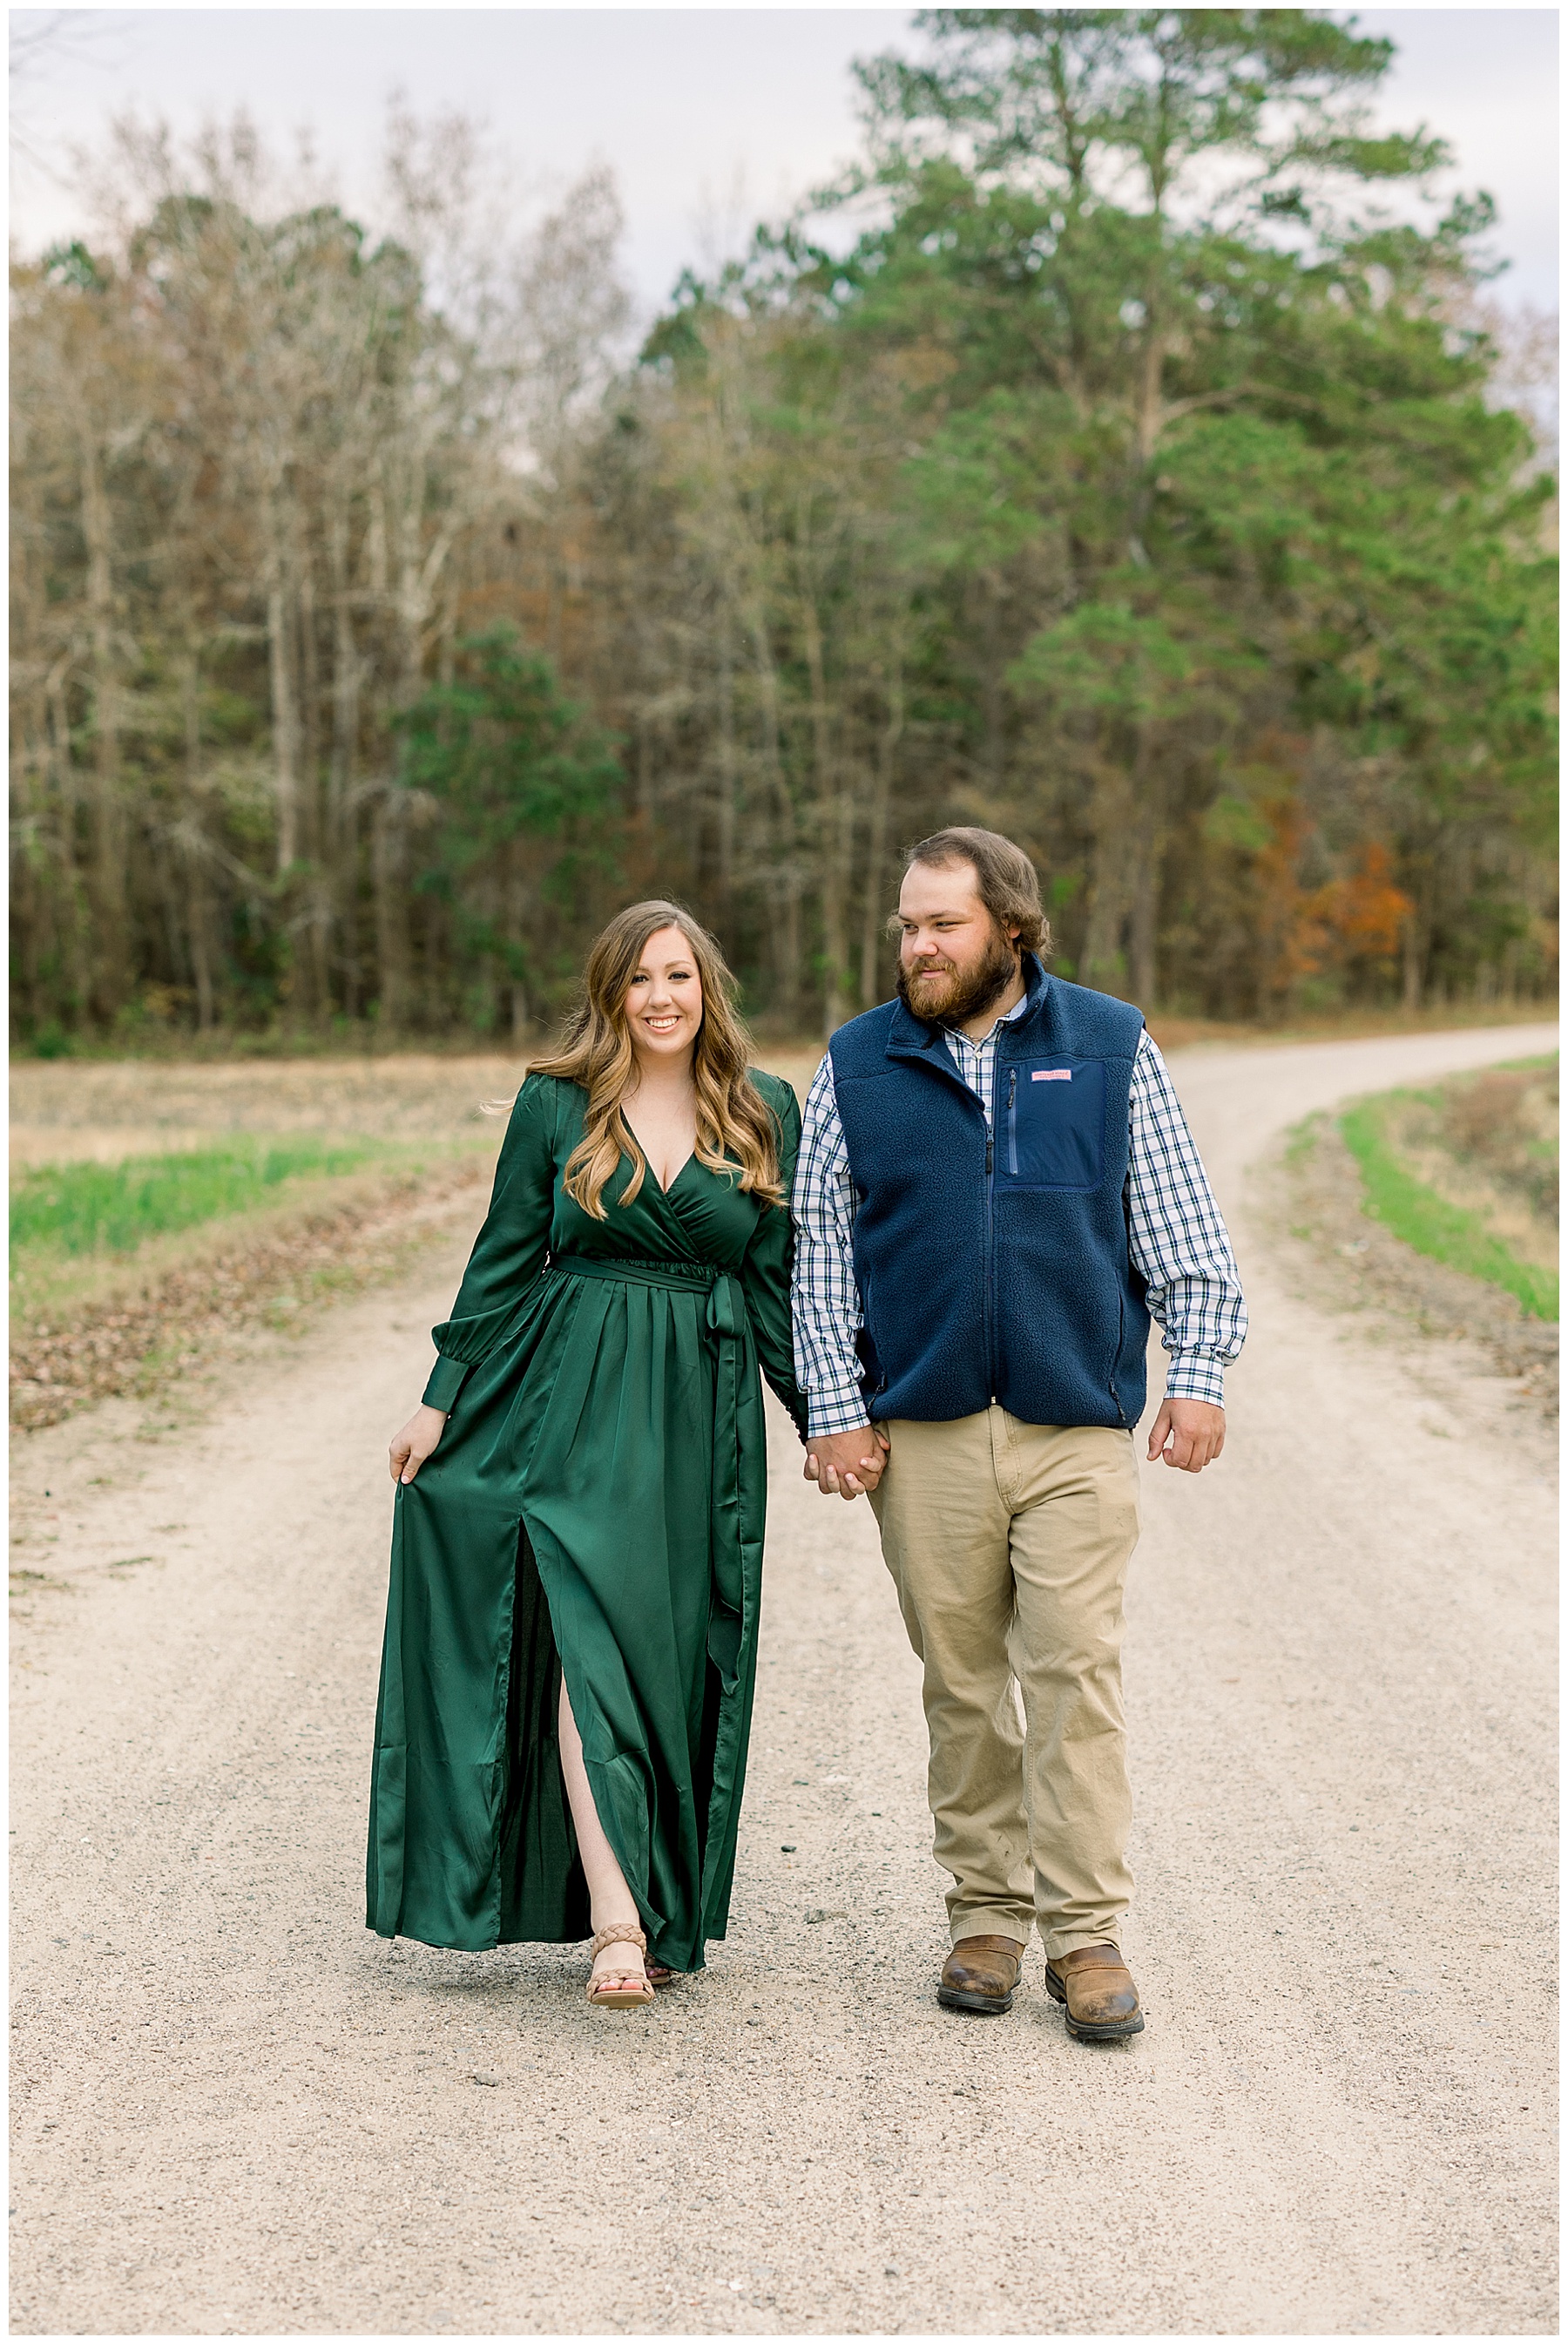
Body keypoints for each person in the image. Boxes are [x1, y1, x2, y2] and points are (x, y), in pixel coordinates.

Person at [791, 828, 1245, 2042]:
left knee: (1074, 1673)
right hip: (924, 1432)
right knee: (962, 1683)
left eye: (941, 924)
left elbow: (1182, 1228)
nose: (916, 945)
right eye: (904, 925)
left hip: (1072, 1429)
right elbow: (822, 1255)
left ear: (1010, 928)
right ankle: (986, 1913)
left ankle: (1086, 1933)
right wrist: (832, 1405)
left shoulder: (1106, 1045)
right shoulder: (859, 1064)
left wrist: (1194, 1376)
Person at [367, 902, 807, 2009]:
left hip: (696, 1415)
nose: (661, 997)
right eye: (638, 980)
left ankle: (647, 1903)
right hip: (560, 1403)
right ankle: (618, 1922)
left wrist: (826, 1414)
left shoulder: (765, 1110)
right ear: (610, 995)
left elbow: (772, 1286)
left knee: (662, 1654)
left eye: (679, 976)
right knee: (586, 1641)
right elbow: (504, 1258)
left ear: (708, 986)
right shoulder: (558, 1102)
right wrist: (441, 1400)